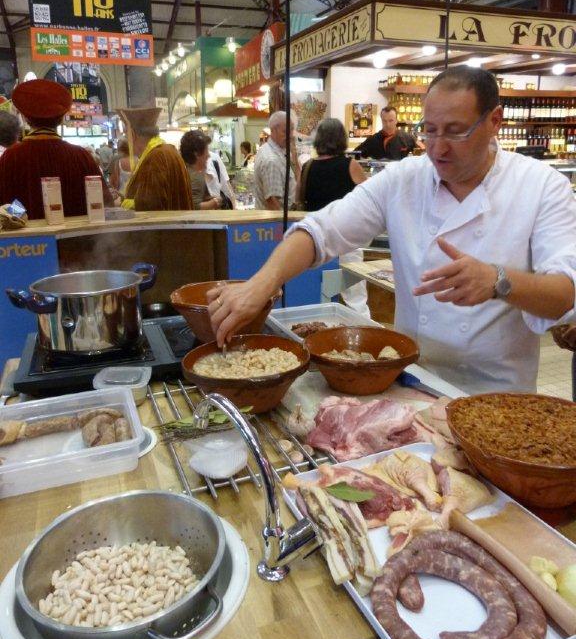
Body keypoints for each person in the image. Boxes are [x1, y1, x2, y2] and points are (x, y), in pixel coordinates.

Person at [207, 67, 576, 395]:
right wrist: (262, 283)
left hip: (498, 399)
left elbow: (564, 293)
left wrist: (498, 280)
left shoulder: (542, 186)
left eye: (456, 132)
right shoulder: (405, 180)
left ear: (495, 120)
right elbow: (320, 231)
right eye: (429, 131)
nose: (438, 148)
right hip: (411, 382)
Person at [0, 79, 113, 219]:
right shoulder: (81, 156)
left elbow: (5, 204)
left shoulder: (11, 157)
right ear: (61, 119)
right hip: (77, 238)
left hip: (31, 239)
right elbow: (106, 203)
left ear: (25, 118)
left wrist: (26, 217)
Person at [297, 117, 369, 317]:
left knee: (321, 292)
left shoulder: (308, 167)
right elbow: (370, 197)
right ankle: (362, 331)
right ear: (341, 139)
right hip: (347, 238)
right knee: (355, 295)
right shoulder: (350, 166)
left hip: (317, 239)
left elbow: (299, 199)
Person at [120, 107, 194, 211]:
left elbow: (151, 205)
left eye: (126, 136)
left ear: (132, 135)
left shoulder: (156, 157)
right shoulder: (167, 150)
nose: (127, 141)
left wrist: (122, 202)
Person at [254, 111, 300, 210]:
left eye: (292, 130)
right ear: (273, 130)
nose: (291, 135)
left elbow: (298, 180)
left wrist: (295, 157)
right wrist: (284, 224)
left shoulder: (283, 151)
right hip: (278, 222)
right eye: (285, 131)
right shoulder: (271, 160)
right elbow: (272, 201)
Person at [354, 106, 422, 161]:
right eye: (384, 121)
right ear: (381, 120)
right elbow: (355, 154)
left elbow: (423, 152)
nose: (387, 124)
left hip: (400, 175)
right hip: (380, 175)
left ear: (396, 121)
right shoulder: (372, 140)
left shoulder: (408, 137)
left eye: (391, 120)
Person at [179, 130, 222, 210]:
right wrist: (214, 202)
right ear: (197, 154)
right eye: (206, 150)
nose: (208, 155)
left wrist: (207, 198)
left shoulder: (184, 171)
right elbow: (193, 207)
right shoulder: (195, 176)